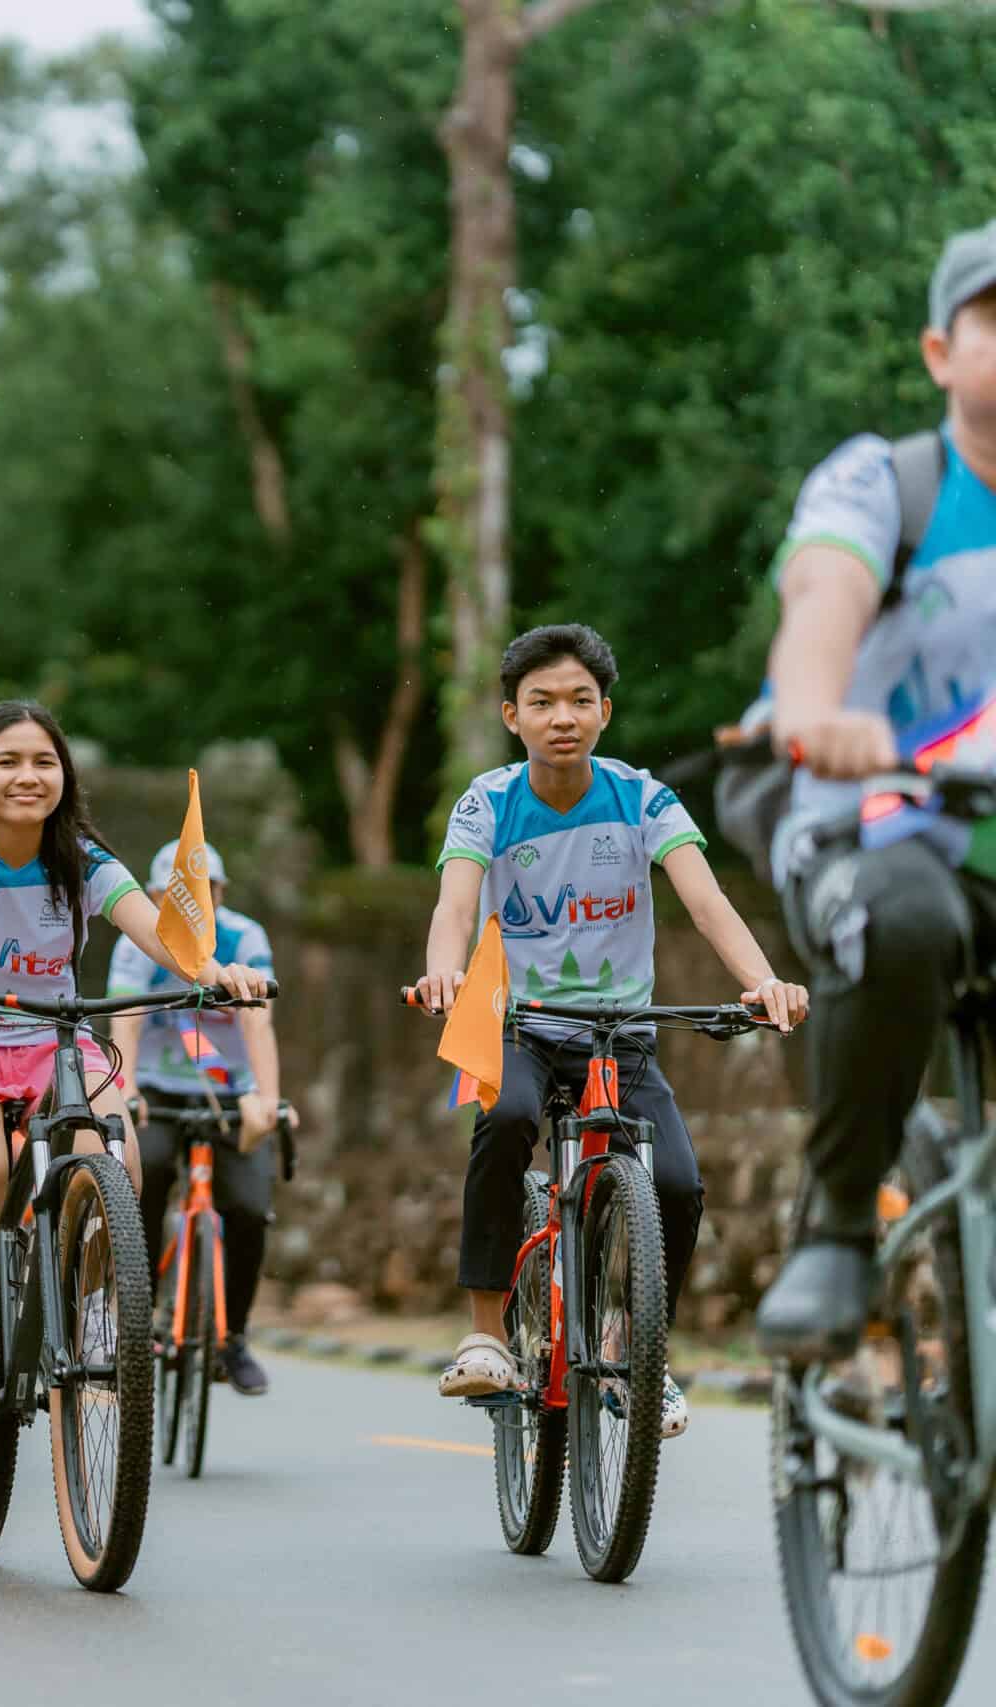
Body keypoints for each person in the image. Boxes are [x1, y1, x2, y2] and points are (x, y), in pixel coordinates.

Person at [418, 624, 807, 1438]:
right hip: (517, 1024)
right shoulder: (487, 801)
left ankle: (640, 1350)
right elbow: (456, 904)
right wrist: (446, 972)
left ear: (604, 713)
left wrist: (761, 979)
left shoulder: (642, 797)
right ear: (510, 715)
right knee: (507, 1116)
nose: (563, 716)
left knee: (675, 1182)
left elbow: (705, 902)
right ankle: (488, 1330)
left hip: (619, 1034)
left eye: (580, 700)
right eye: (542, 701)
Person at [0, 700, 269, 1448]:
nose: (28, 776)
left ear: (65, 777)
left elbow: (156, 928)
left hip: (56, 1041)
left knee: (114, 1158)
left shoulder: (82, 858)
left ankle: (95, 1314)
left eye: (44, 761)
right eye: (8, 761)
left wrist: (214, 971)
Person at [755, 219, 996, 1358]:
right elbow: (822, 599)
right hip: (871, 832)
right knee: (902, 916)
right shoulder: (885, 482)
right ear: (939, 354)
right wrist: (812, 711)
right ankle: (839, 1224)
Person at [110, 838, 286, 1396]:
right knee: (147, 1174)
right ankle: (132, 1320)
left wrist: (267, 1098)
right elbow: (128, 1014)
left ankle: (231, 1337)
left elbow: (259, 1020)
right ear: (157, 897)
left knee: (249, 1208)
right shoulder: (140, 940)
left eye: (203, 893)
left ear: (221, 894)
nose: (191, 904)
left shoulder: (245, 936)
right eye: (176, 894)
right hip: (157, 1092)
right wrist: (126, 1089)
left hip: (230, 1094)